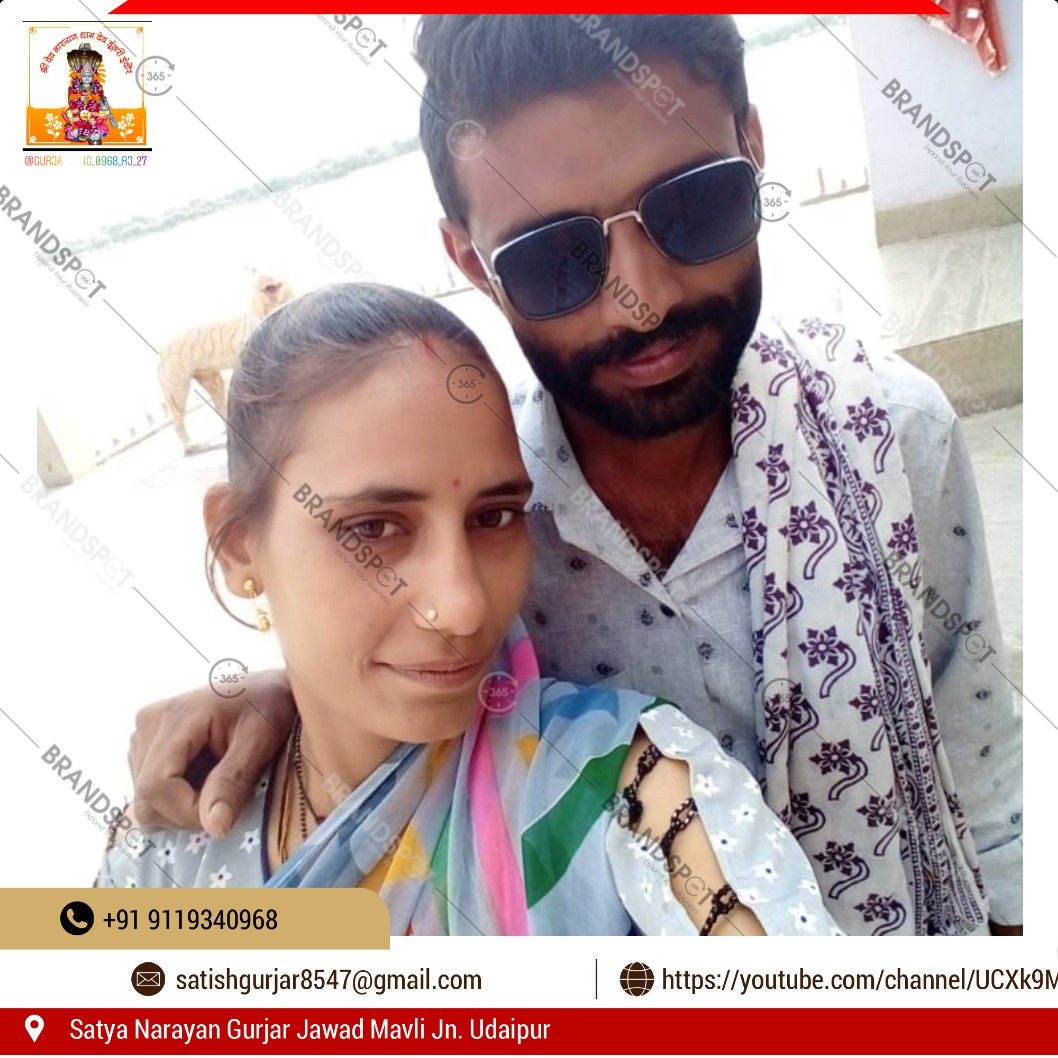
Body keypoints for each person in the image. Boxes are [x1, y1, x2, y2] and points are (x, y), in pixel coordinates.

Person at [127, 15, 1021, 935]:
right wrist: (285, 692)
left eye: (694, 207)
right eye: (556, 259)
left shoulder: (890, 432)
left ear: (753, 150)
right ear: (472, 263)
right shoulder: (479, 500)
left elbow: (986, 763)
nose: (644, 300)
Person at [98, 283, 839, 937]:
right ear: (238, 544)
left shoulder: (626, 784)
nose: (462, 608)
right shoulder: (173, 832)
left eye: (494, 517)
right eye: (373, 529)